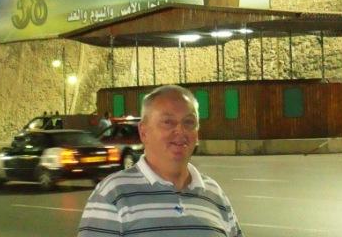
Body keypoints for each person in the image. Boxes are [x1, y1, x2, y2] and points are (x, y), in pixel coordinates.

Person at [78, 85, 243, 237]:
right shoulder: (112, 195)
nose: (180, 130)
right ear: (144, 132)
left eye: (189, 122)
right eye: (168, 122)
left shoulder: (215, 195)